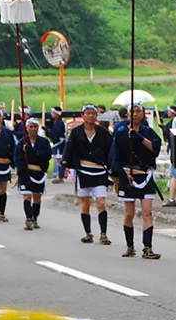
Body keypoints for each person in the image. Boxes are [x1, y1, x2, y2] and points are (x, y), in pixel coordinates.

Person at [110, 103, 163, 259]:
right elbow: (115, 156)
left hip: (145, 175)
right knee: (129, 213)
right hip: (128, 175)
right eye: (132, 111)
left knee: (147, 212)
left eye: (138, 111)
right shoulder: (120, 133)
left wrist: (139, 138)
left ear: (142, 114)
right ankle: (130, 246)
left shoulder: (148, 132)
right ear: (127, 114)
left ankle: (148, 248)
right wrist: (121, 174)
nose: (135, 114)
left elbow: (155, 148)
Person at [63, 104, 115, 245]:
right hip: (83, 171)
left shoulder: (104, 133)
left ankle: (103, 233)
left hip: (99, 172)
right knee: (85, 202)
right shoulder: (76, 132)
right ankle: (88, 232)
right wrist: (65, 162)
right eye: (88, 113)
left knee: (101, 202)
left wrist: (114, 169)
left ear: (96, 116)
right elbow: (69, 148)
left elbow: (111, 151)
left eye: (93, 113)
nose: (91, 115)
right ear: (83, 115)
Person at [14, 117, 51, 230]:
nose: (33, 129)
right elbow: (18, 158)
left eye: (35, 127)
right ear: (26, 128)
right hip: (26, 172)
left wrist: (32, 152)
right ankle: (28, 219)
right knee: (27, 195)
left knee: (37, 196)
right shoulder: (22, 143)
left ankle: (35, 217)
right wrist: (22, 171)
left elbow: (46, 156)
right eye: (31, 127)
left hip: (38, 172)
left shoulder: (44, 142)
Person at [46, 106, 67, 184]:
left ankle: (60, 176)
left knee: (60, 159)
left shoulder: (60, 123)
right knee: (58, 159)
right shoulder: (54, 122)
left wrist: (49, 131)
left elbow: (57, 134)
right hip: (56, 143)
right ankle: (58, 175)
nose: (52, 114)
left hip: (59, 143)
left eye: (53, 113)